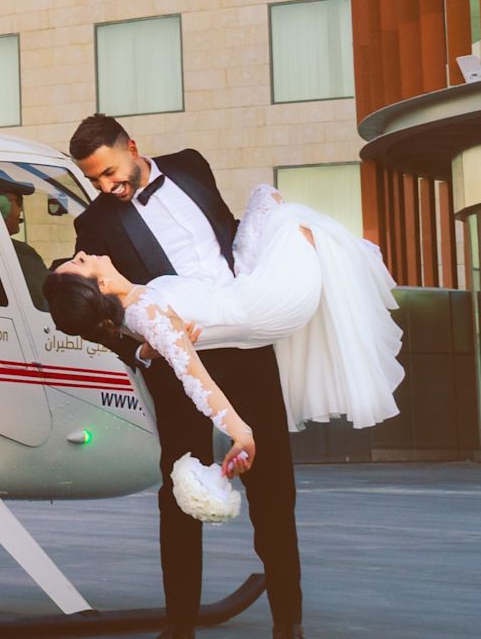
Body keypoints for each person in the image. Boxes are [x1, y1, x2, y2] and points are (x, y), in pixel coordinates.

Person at [52, 114, 305, 639]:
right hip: (173, 365)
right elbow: (94, 313)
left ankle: (289, 621)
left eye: (112, 172)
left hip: (247, 348)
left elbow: (230, 239)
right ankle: (181, 624)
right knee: (180, 491)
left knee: (275, 486)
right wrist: (143, 349)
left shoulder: (192, 167)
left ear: (133, 147)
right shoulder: (94, 228)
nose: (107, 187)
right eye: (96, 180)